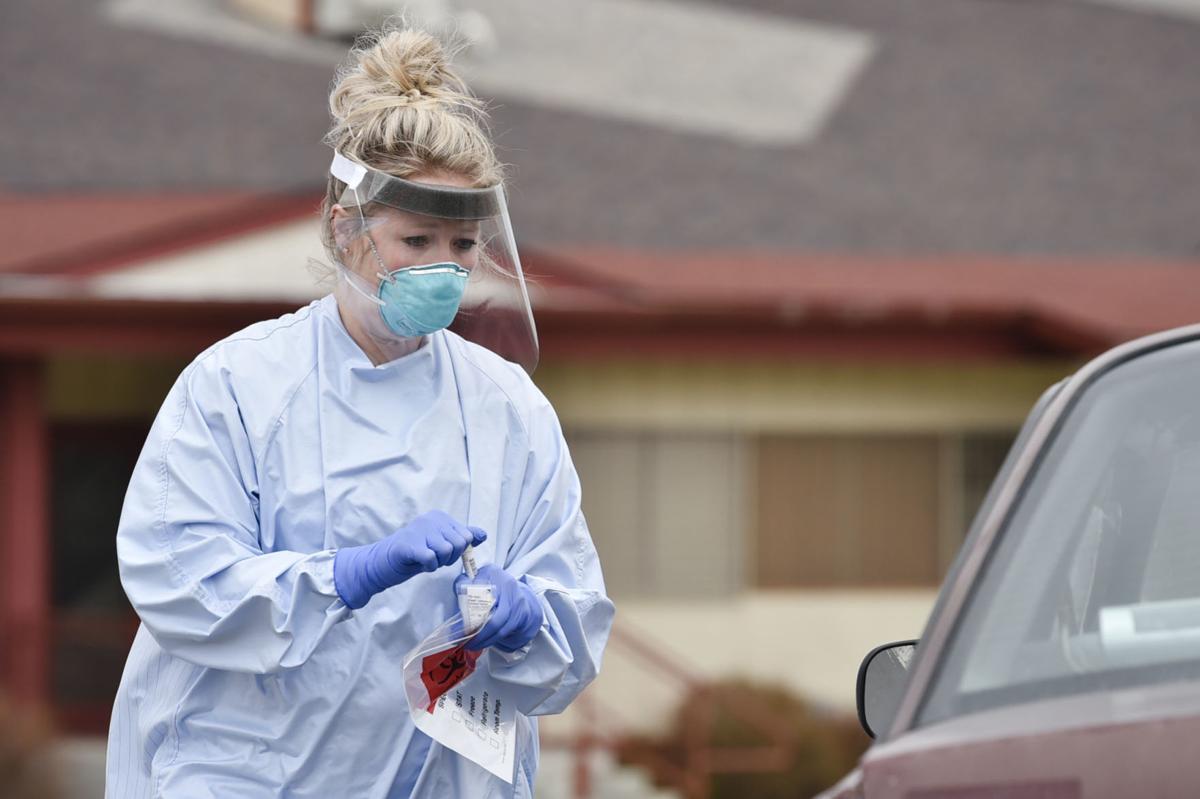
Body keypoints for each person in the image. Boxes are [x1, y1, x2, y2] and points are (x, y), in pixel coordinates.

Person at [105, 25, 613, 798]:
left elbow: (571, 627)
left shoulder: (507, 408)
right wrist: (345, 575)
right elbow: (176, 577)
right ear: (346, 228)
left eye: (464, 243)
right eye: (416, 238)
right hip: (243, 777)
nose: (443, 267)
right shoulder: (240, 384)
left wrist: (529, 618)